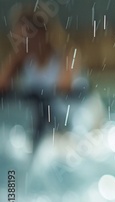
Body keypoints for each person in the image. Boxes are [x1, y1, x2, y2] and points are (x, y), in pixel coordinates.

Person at [0, 3, 89, 152]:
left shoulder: (67, 54)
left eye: (27, 36)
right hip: (46, 118)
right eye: (20, 37)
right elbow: (2, 85)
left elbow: (63, 88)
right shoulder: (22, 58)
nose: (22, 41)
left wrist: (36, 93)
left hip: (78, 117)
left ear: (42, 33)